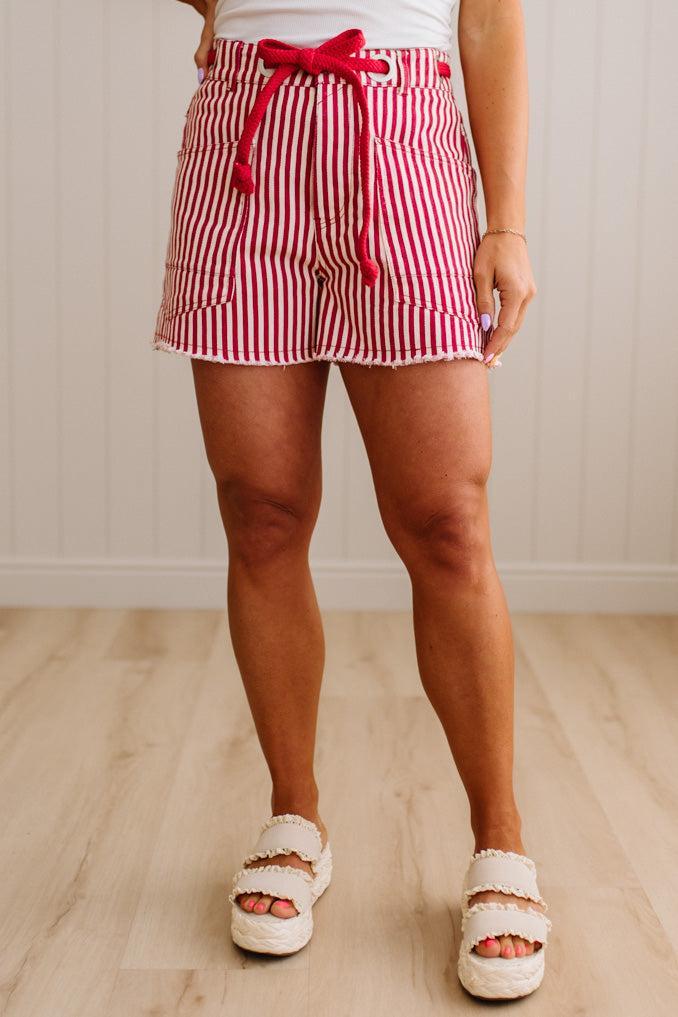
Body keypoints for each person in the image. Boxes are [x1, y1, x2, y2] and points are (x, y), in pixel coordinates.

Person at [157, 0, 550, 999]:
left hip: (404, 132)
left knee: (449, 527)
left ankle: (500, 844)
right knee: (262, 512)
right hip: (245, 135)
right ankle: (293, 820)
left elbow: (492, 19)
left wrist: (504, 221)